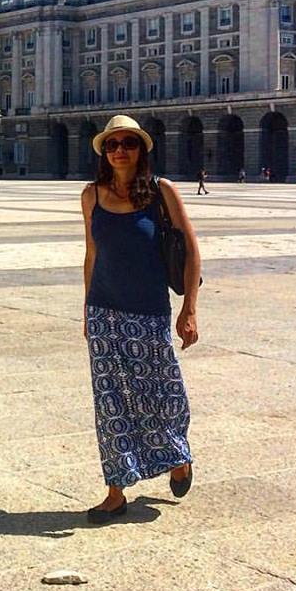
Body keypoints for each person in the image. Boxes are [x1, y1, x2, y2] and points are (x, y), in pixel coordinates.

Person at [81, 114, 199, 524]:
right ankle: (116, 490)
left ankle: (178, 456)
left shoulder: (162, 191)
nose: (119, 151)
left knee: (162, 392)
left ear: (141, 150)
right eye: (112, 144)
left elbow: (190, 251)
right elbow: (91, 255)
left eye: (128, 143)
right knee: (110, 402)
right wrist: (86, 310)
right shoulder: (91, 195)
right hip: (103, 310)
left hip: (149, 311)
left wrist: (189, 310)